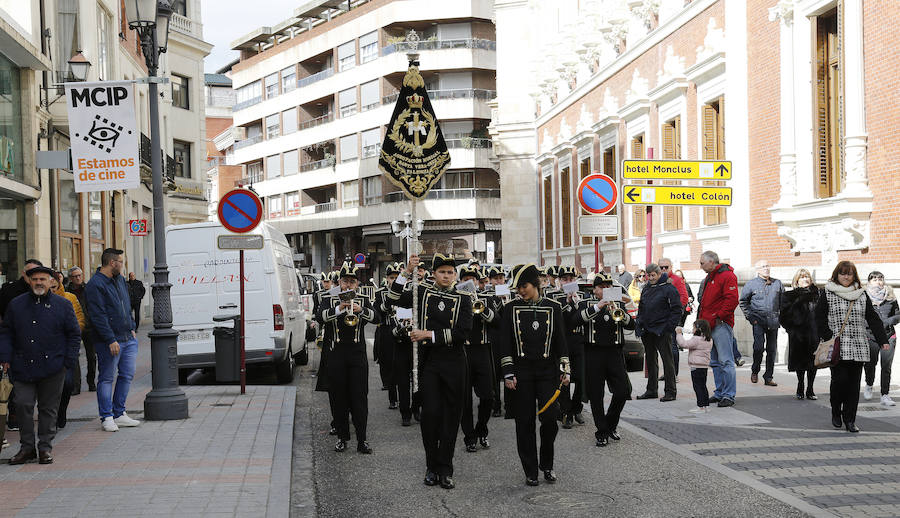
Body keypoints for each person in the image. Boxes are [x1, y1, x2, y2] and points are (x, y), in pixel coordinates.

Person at [388, 254, 472, 490]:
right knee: (430, 415)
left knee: (451, 417)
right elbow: (393, 298)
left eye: (450, 272)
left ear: (455, 275)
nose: (446, 276)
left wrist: (428, 334)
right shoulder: (421, 292)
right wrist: (406, 272)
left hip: (454, 362)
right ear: (434, 274)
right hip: (430, 362)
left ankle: (446, 469)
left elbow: (463, 332)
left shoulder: (464, 298)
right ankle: (431, 466)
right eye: (442, 272)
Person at [0, 266, 80, 465]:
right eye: (34, 279)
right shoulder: (16, 304)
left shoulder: (63, 305)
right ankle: (27, 448)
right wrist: (5, 357)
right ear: (29, 281)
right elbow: (6, 332)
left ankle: (45, 448)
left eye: (42, 279)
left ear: (51, 281)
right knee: (23, 405)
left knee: (48, 409)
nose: (38, 283)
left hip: (53, 366)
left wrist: (67, 362)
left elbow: (73, 334)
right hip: (22, 366)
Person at [499, 264, 569, 486]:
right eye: (518, 288)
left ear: (536, 284)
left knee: (550, 420)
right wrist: (508, 372)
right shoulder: (510, 308)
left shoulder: (554, 307)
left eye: (524, 286)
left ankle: (547, 464)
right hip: (522, 372)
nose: (521, 291)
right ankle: (530, 470)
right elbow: (505, 342)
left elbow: (560, 341)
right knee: (524, 422)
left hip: (547, 371)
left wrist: (565, 368)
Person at [816, 261, 889, 433]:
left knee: (854, 386)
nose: (846, 277)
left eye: (849, 274)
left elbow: (872, 318)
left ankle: (850, 420)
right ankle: (836, 411)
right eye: (843, 273)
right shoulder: (827, 293)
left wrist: (882, 340)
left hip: (858, 346)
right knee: (839, 381)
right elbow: (819, 317)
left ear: (854, 276)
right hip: (837, 346)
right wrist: (828, 335)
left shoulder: (862, 294)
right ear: (837, 275)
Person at [319, 262, 379, 454]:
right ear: (339, 282)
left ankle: (362, 439)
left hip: (357, 355)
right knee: (339, 398)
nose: (348, 285)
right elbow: (319, 317)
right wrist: (339, 309)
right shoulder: (329, 298)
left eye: (352, 282)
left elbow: (377, 318)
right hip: (336, 355)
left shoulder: (363, 299)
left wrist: (361, 310)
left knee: (359, 398)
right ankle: (342, 438)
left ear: (357, 284)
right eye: (345, 281)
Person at [571, 273, 633, 446]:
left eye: (608, 287)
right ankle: (601, 432)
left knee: (622, 391)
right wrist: (598, 307)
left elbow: (631, 325)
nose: (606, 290)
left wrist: (618, 311)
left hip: (614, 352)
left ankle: (610, 424)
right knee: (596, 395)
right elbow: (575, 321)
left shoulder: (619, 303)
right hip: (594, 353)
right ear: (595, 289)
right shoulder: (586, 304)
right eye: (602, 287)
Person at [85, 248, 140, 432]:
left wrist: (132, 327)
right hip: (109, 341)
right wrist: (110, 339)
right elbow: (97, 315)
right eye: (121, 262)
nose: (123, 265)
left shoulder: (119, 280)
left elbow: (127, 305)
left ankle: (119, 413)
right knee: (107, 378)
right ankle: (107, 417)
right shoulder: (95, 285)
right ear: (112, 263)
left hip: (128, 337)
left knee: (127, 375)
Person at [458, 265, 498, 452]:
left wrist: (481, 307)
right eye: (466, 279)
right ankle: (469, 437)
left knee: (488, 396)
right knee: (464, 399)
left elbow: (497, 322)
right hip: (463, 351)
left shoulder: (486, 298)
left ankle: (482, 429)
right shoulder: (456, 299)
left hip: (482, 350)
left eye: (473, 279)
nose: (470, 282)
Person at [634, 264, 683, 401]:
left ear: (659, 274)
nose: (650, 278)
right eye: (648, 275)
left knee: (667, 361)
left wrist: (668, 327)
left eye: (653, 275)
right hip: (647, 330)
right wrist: (639, 323)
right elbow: (641, 308)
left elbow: (677, 309)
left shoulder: (669, 288)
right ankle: (651, 390)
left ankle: (670, 391)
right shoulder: (646, 288)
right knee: (650, 361)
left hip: (662, 330)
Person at [697, 251, 739, 407]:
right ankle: (720, 392)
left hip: (720, 324)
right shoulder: (710, 277)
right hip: (709, 324)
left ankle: (728, 394)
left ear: (711, 261)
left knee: (726, 360)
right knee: (715, 361)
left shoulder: (727, 276)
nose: (700, 266)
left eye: (702, 263)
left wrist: (719, 317)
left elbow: (732, 299)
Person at [739, 260, 784, 386]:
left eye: (768, 266)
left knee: (772, 350)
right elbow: (743, 302)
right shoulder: (751, 284)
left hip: (773, 321)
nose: (766, 268)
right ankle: (755, 370)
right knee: (758, 348)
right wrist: (751, 318)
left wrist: (782, 318)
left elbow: (783, 302)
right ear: (757, 270)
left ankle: (768, 377)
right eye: (763, 267)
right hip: (758, 321)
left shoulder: (777, 283)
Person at [50, 271, 85, 429]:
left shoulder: (69, 298)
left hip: (66, 347)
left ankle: (61, 410)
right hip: (48, 351)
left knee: (68, 383)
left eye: (54, 287)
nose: (52, 290)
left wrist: (73, 334)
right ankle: (52, 415)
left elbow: (80, 318)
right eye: (49, 287)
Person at [552, 266, 586, 429]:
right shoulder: (554, 298)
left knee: (580, 378)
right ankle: (566, 412)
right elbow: (558, 320)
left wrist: (577, 302)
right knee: (564, 378)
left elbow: (585, 318)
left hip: (578, 342)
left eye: (571, 279)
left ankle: (576, 407)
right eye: (565, 279)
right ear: (559, 281)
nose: (568, 282)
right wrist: (567, 302)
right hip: (563, 343)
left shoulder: (583, 297)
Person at [780, 269, 819, 400]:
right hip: (798, 335)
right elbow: (783, 316)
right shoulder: (789, 296)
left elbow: (823, 314)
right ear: (796, 281)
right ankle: (800, 385)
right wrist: (791, 329)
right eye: (801, 277)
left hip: (814, 333)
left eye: (807, 276)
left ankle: (810, 389)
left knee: (814, 363)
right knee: (800, 362)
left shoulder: (818, 294)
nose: (805, 279)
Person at [863, 271, 897, 406]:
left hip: (889, 336)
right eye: (874, 279)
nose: (878, 281)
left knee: (886, 365)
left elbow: (898, 315)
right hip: (871, 336)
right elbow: (861, 316)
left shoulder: (891, 297)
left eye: (880, 279)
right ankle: (869, 384)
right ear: (869, 282)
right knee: (870, 363)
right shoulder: (864, 297)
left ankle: (885, 395)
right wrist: (873, 325)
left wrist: (887, 322)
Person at [374, 264, 401, 407]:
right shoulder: (380, 293)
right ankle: (392, 399)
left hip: (403, 331)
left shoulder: (406, 291)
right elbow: (376, 313)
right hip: (386, 330)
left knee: (403, 365)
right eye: (391, 278)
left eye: (397, 278)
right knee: (389, 364)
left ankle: (405, 399)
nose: (394, 280)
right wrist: (386, 306)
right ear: (387, 279)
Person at [65, 266, 96, 392]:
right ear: (70, 278)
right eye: (75, 276)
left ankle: (91, 381)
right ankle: (76, 385)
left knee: (91, 356)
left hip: (89, 326)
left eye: (79, 275)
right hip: (74, 326)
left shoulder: (89, 289)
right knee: (74, 356)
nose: (78, 278)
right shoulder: (66, 291)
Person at [659, 258, 688, 377]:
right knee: (663, 346)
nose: (664, 269)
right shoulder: (657, 280)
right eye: (661, 267)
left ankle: (673, 374)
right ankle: (667, 372)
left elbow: (684, 298)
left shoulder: (677, 279)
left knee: (672, 345)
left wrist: (674, 311)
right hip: (660, 317)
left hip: (672, 317)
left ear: (671, 267)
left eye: (666, 267)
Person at [676, 319, 713, 414]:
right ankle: (706, 406)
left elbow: (683, 344)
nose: (692, 330)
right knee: (703, 386)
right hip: (704, 367)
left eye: (694, 328)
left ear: (699, 329)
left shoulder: (696, 339)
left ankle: (700, 407)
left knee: (697, 387)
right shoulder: (708, 339)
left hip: (696, 366)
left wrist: (679, 334)